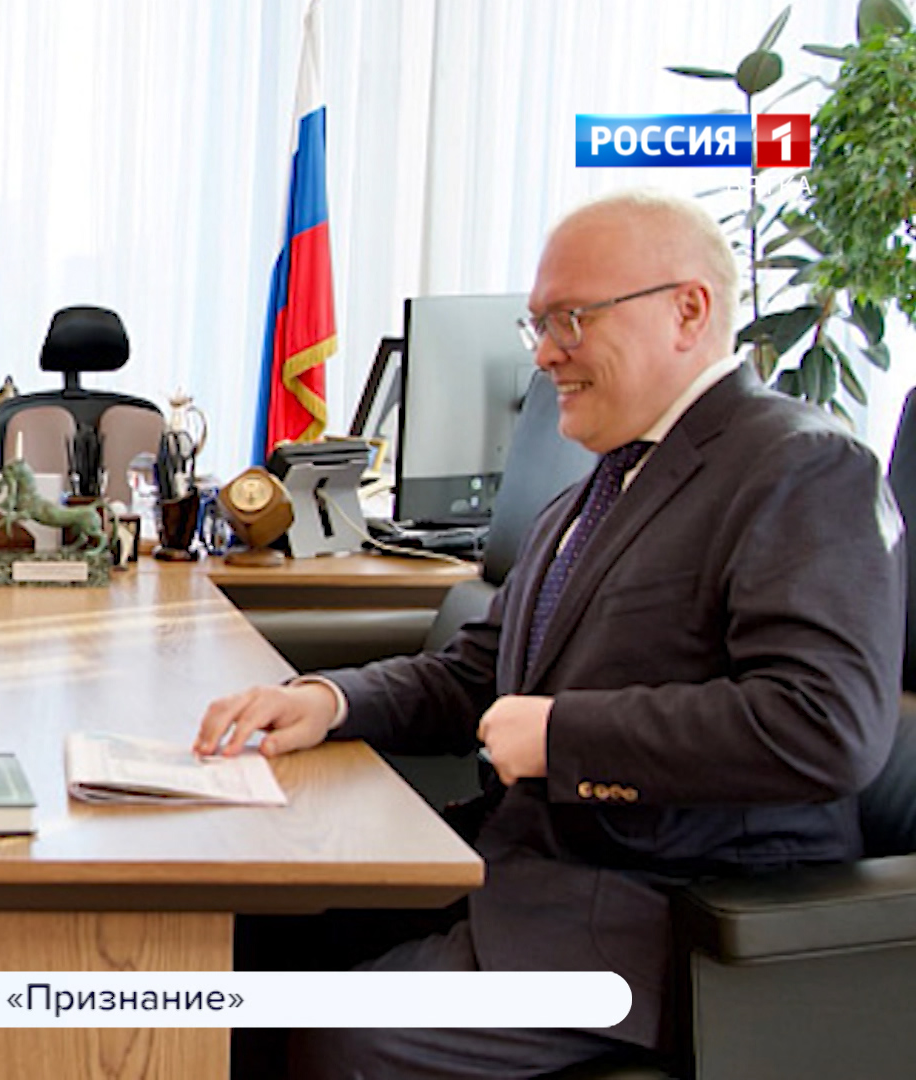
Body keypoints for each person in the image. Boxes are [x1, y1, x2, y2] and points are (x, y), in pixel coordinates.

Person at [197, 190, 903, 1078]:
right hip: (518, 876)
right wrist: (328, 701)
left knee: (340, 1043)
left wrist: (565, 737)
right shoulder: (595, 488)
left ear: (688, 310)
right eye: (538, 325)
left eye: (572, 319)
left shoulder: (800, 465)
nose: (545, 354)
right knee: (231, 941)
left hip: (659, 925)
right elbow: (482, 672)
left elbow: (822, 725)